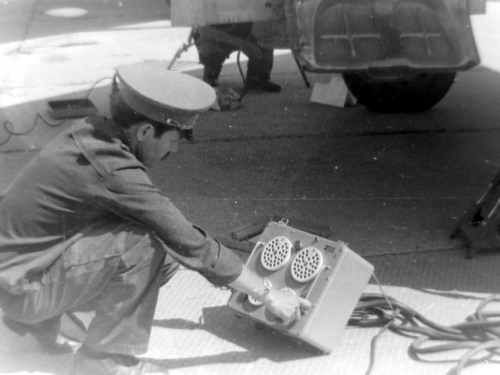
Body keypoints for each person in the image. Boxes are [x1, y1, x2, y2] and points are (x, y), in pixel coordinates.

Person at [0, 64, 311, 375]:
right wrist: (268, 296)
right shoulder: (113, 170)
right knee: (146, 243)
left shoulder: (92, 132)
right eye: (174, 139)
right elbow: (187, 240)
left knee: (163, 259)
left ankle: (40, 324)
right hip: (23, 289)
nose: (174, 149)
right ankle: (103, 361)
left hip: (17, 273)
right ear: (146, 131)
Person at [193, 22, 282, 92]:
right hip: (215, 33)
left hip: (242, 28)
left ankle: (257, 77)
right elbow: (203, 31)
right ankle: (210, 76)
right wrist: (240, 44)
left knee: (265, 35)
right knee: (209, 49)